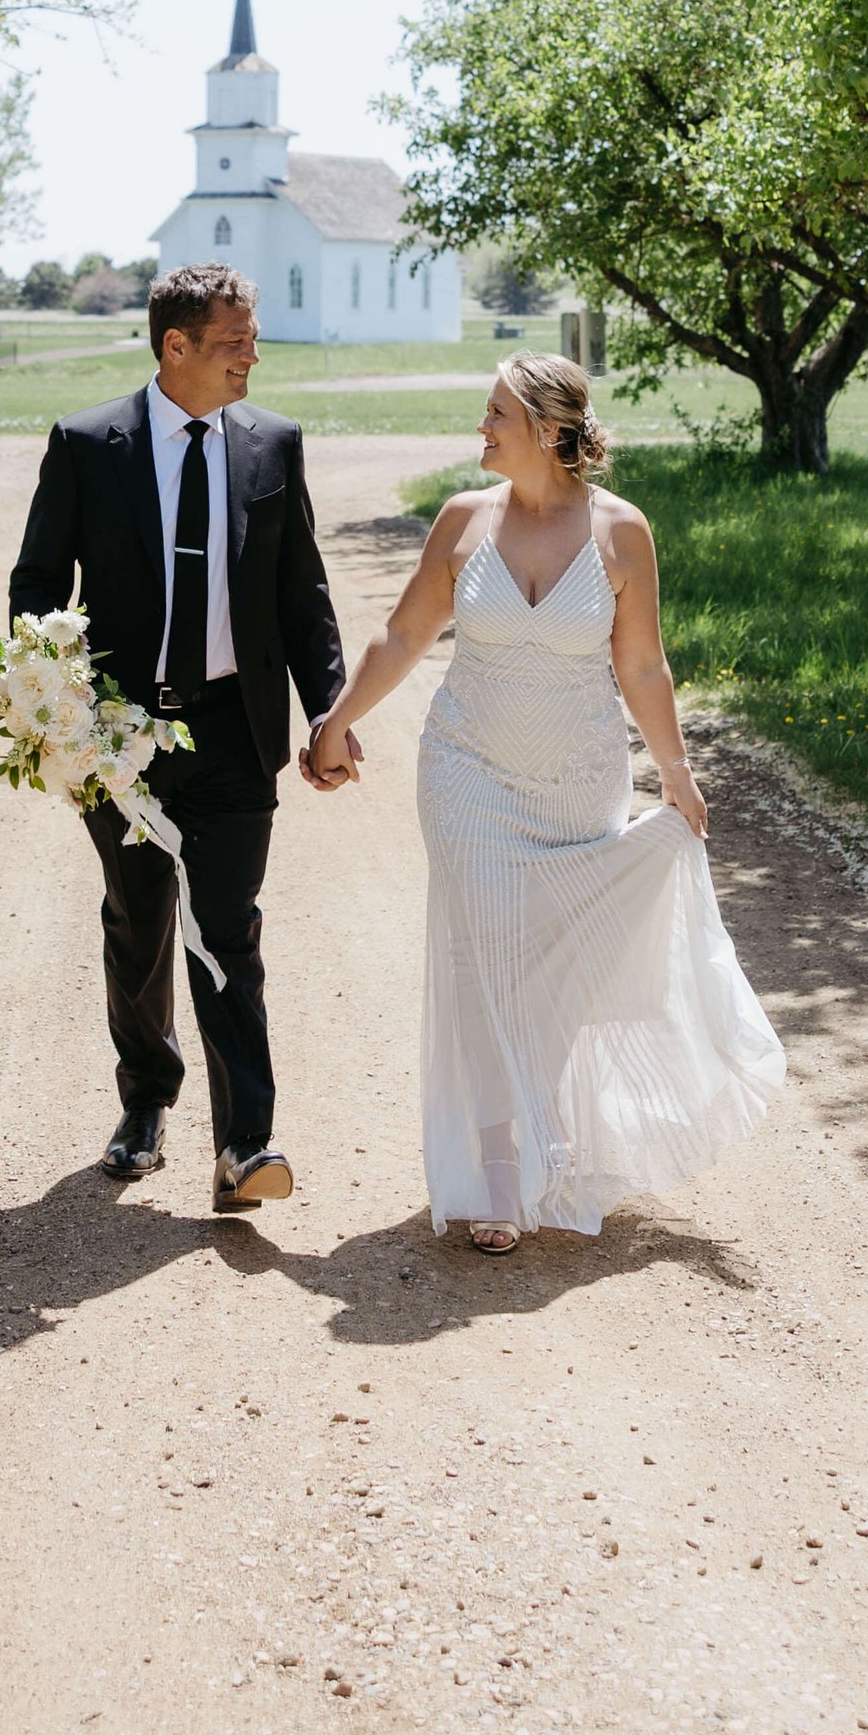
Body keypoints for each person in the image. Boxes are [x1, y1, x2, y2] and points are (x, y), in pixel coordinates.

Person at [305, 351, 782, 1253]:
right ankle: (495, 1170)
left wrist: (673, 770)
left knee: (554, 968)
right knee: (485, 963)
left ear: (549, 431)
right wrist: (335, 723)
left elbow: (640, 663)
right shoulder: (461, 521)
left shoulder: (621, 531)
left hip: (578, 783)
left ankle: (542, 1115)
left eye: (495, 415)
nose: (479, 429)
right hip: (466, 774)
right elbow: (404, 634)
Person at [8, 259, 352, 1210]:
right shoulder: (88, 445)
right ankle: (146, 1101)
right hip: (121, 736)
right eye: (234, 341)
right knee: (140, 918)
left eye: (251, 339)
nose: (252, 356)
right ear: (177, 345)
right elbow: (37, 585)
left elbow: (302, 594)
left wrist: (328, 709)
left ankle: (245, 1144)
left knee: (229, 929)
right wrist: (58, 702)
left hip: (237, 731)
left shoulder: (272, 445)